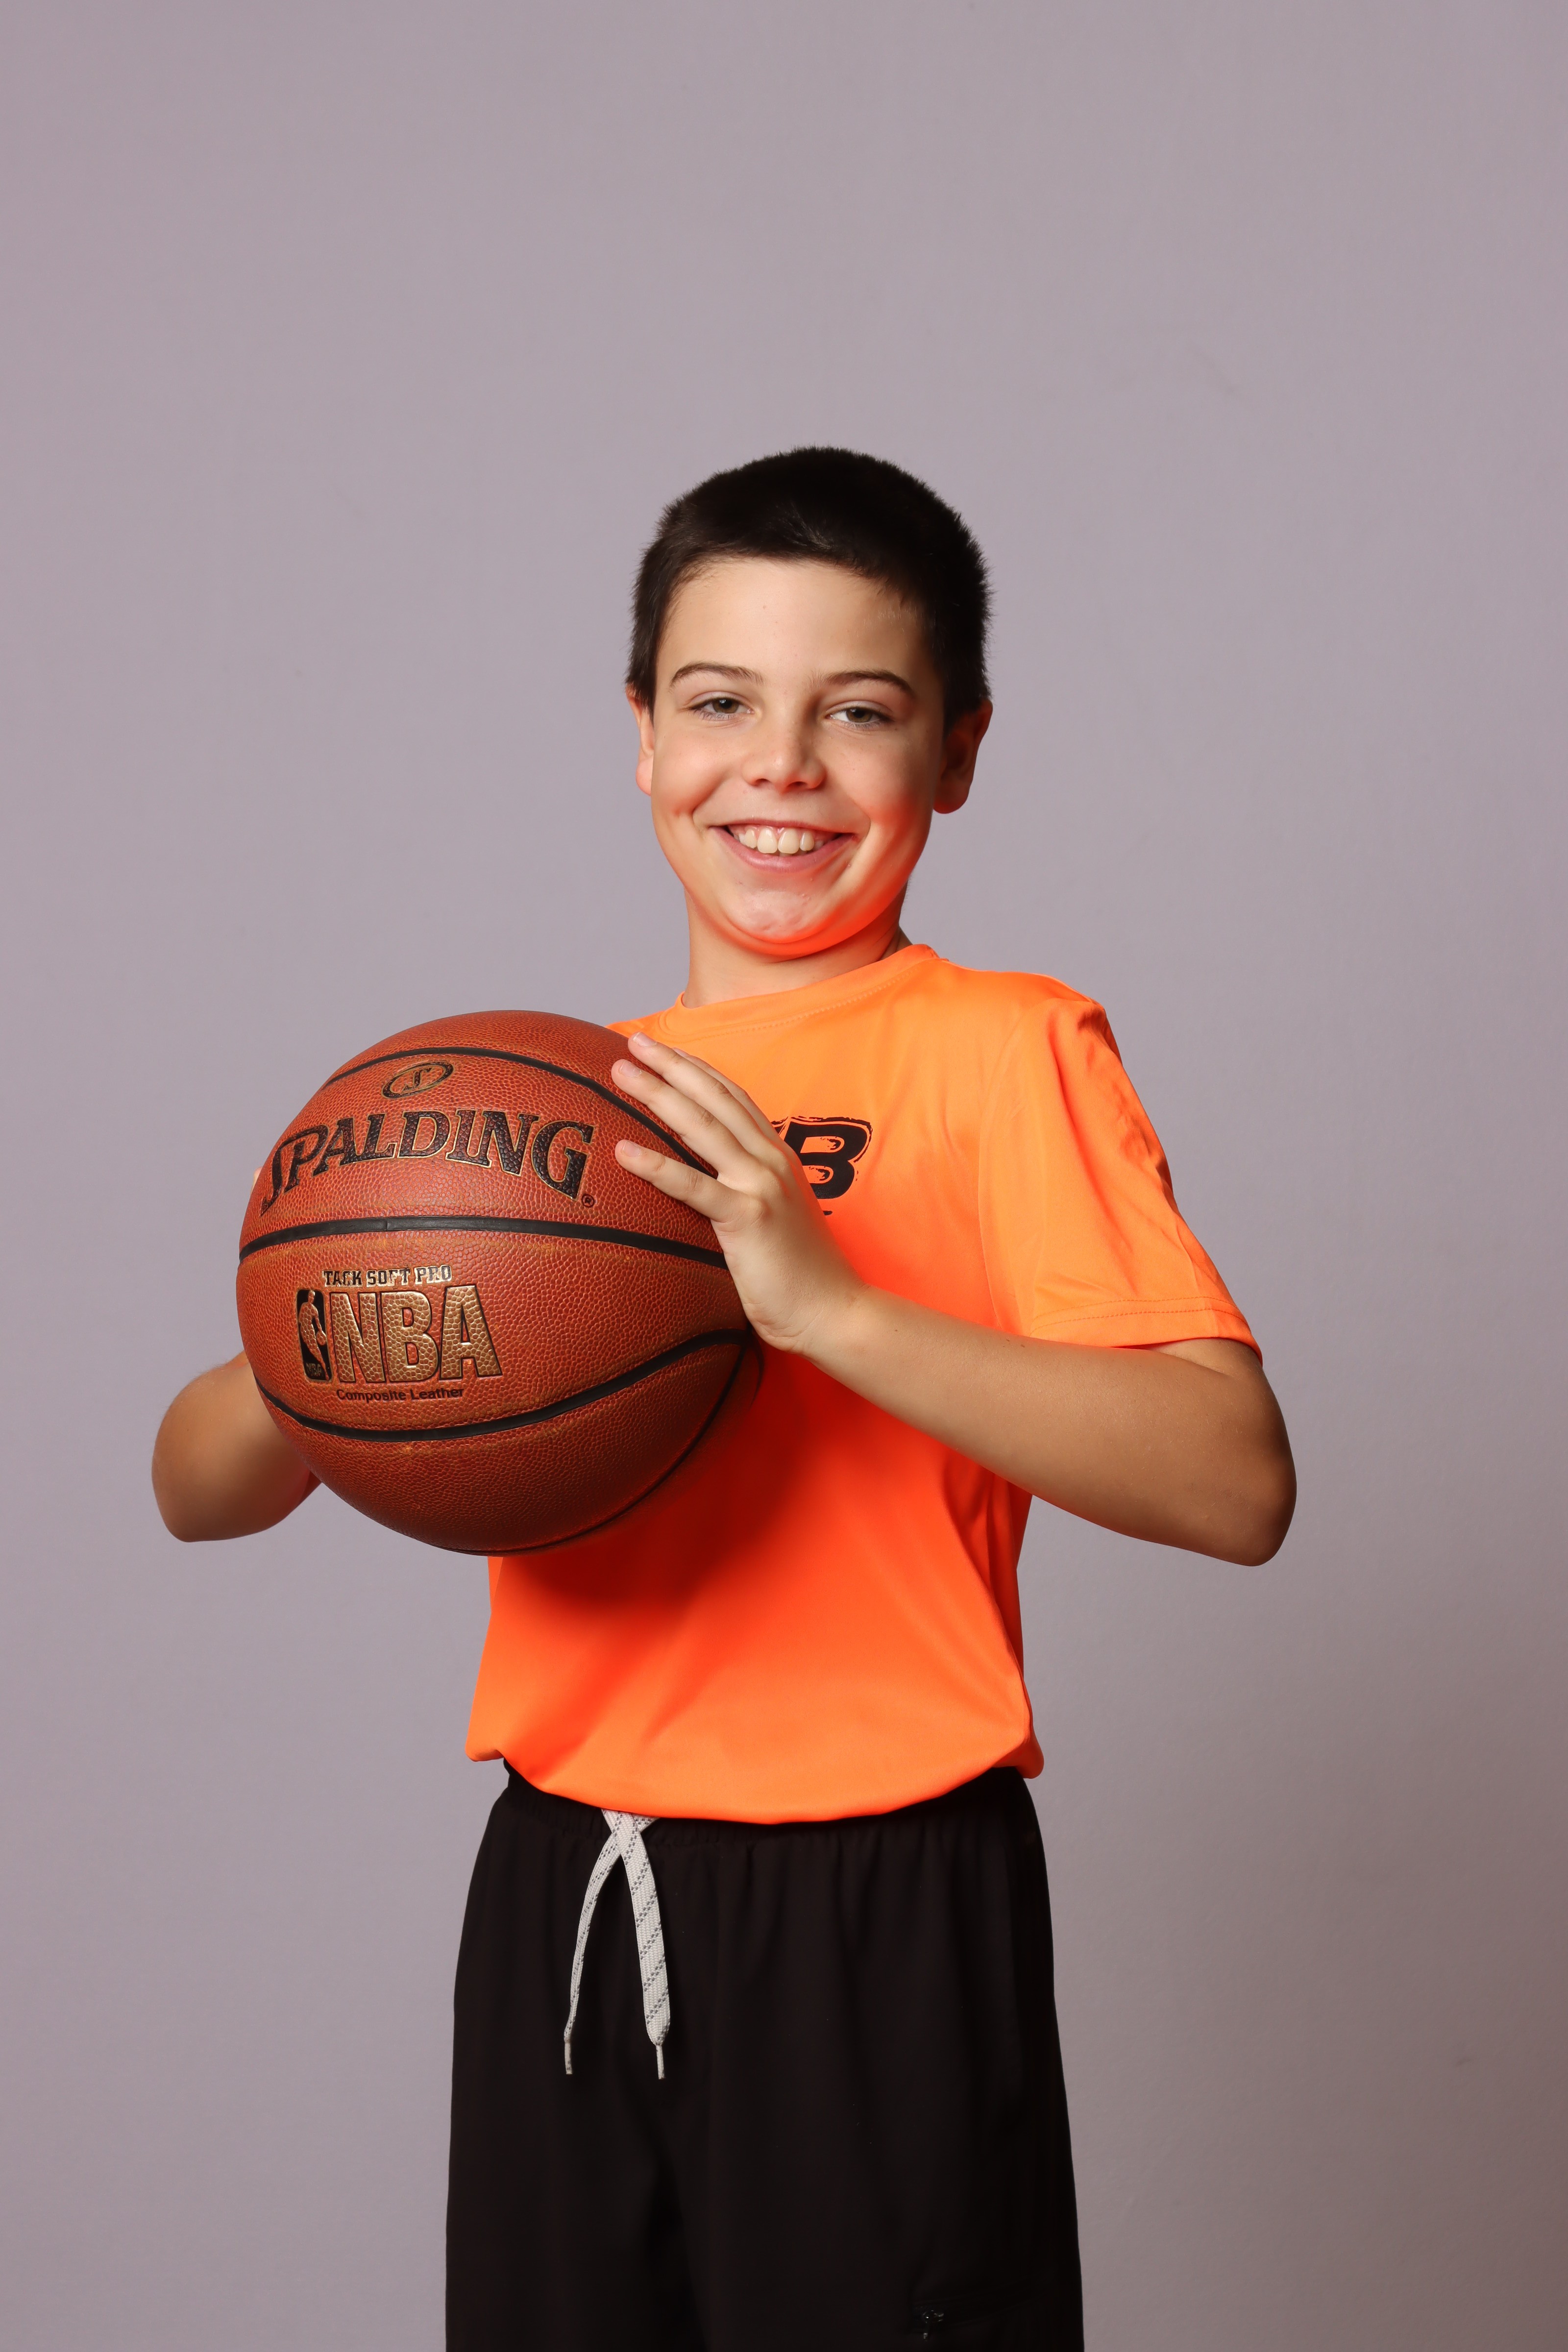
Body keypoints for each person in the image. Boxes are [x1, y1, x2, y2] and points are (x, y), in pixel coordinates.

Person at [153, 447, 1296, 2351]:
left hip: (871, 1896)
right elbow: (197, 1485)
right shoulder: (555, 1104)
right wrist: (352, 1318)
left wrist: (828, 1312)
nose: (780, 765)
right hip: (564, 1882)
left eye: (859, 711)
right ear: (639, 733)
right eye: (719, 702)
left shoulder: (1003, 1049)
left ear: (958, 749)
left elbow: (1233, 1483)